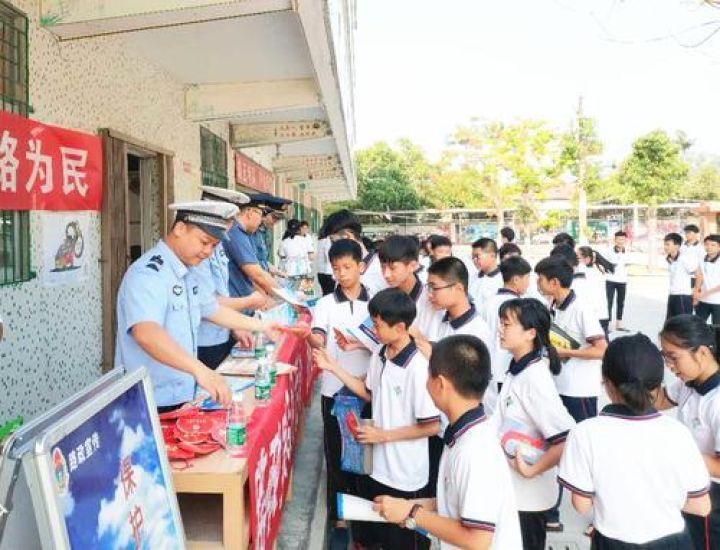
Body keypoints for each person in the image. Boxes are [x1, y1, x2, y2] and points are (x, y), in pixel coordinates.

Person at [114, 201, 280, 410]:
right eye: (204, 242)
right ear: (180, 229)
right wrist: (200, 370)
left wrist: (262, 326)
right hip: (151, 400)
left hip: (181, 392)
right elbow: (146, 333)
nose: (208, 252)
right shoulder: (148, 274)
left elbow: (212, 309)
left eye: (213, 246)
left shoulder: (187, 272)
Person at [314, 289, 441, 550]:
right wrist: (333, 367)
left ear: (400, 327)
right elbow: (369, 393)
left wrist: (384, 436)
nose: (373, 329)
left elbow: (431, 425)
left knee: (405, 540)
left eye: (378, 324)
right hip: (377, 467)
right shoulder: (381, 355)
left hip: (405, 474)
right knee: (376, 536)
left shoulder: (418, 369)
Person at [558, 333, 711, 548]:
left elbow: (581, 505)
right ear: (658, 384)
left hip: (614, 543)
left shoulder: (585, 433)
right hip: (673, 542)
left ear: (606, 381)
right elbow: (701, 506)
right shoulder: (678, 434)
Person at [373, 335, 523, 549]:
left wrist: (412, 513)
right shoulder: (464, 434)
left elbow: (478, 540)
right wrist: (410, 506)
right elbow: (458, 503)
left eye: (428, 375)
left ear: (440, 384)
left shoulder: (474, 450)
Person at [495, 298, 576, 549]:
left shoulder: (535, 378)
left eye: (506, 324)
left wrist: (531, 470)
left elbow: (565, 438)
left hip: (529, 500)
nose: (500, 329)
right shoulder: (518, 367)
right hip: (515, 493)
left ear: (530, 333)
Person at [535, 255, 607, 532]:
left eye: (541, 279)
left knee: (586, 452)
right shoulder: (552, 305)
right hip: (558, 388)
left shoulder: (581, 309)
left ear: (554, 282)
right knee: (559, 448)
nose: (538, 283)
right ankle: (552, 513)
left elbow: (601, 349)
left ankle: (601, 512)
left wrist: (567, 352)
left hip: (580, 392)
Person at [306, 239, 372, 531]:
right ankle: (341, 513)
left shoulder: (377, 301)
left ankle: (366, 506)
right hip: (333, 389)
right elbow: (318, 336)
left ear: (361, 266)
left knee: (366, 452)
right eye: (336, 268)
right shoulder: (325, 304)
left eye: (347, 267)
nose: (342, 274)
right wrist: (308, 337)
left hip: (369, 390)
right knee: (336, 452)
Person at [657, 315, 720, 549]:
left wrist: (676, 454)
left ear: (702, 352)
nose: (669, 366)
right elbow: (662, 398)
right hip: (688, 484)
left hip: (712, 497)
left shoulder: (716, 401)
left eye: (673, 358)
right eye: (664, 357)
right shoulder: (689, 381)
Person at [193, 187, 267, 369]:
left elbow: (220, 290)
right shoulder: (197, 252)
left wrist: (235, 326)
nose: (230, 224)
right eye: (226, 219)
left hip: (222, 330)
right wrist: (249, 301)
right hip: (204, 338)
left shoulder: (217, 245)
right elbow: (207, 304)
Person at [481, 256, 532, 395]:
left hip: (490, 369)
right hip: (509, 368)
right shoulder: (519, 306)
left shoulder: (488, 302)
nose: (528, 283)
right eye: (527, 278)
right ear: (516, 279)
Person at [224, 196, 280, 312]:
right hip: (235, 305)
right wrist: (287, 297)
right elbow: (257, 274)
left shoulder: (245, 234)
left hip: (244, 303)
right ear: (250, 212)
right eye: (260, 215)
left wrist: (264, 296)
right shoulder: (235, 233)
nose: (261, 220)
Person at [323, 209, 386, 296]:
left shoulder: (381, 269)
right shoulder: (340, 268)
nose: (333, 246)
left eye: (334, 241)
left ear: (347, 236)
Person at [577, 246, 612, 338]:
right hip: (601, 313)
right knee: (603, 339)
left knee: (599, 341)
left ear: (587, 259)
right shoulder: (598, 269)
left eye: (577, 257)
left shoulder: (584, 270)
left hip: (594, 313)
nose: (576, 260)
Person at [664, 232, 699, 319]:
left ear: (677, 246)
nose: (665, 247)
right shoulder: (669, 259)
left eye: (668, 244)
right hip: (672, 295)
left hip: (683, 297)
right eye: (665, 244)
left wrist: (695, 292)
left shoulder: (684, 258)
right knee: (671, 324)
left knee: (683, 325)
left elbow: (698, 274)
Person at [605, 231, 629, 332]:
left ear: (625, 240)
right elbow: (604, 265)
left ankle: (619, 323)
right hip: (610, 280)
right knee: (609, 302)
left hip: (622, 281)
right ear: (615, 240)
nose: (621, 241)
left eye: (623, 239)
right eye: (619, 239)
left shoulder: (628, 251)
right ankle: (608, 324)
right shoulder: (608, 251)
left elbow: (627, 264)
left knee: (621, 302)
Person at [469, 238, 503, 307]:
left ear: (492, 255)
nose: (474, 260)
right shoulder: (472, 279)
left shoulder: (503, 280)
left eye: (477, 256)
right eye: (473, 257)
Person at [695, 234, 720, 324]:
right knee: (697, 325)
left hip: (718, 302)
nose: (709, 247)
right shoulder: (702, 258)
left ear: (719, 247)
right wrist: (696, 292)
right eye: (707, 244)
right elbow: (699, 275)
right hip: (703, 300)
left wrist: (705, 293)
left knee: (717, 329)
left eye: (713, 245)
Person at [682, 224, 706, 292]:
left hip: (694, 277)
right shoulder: (681, 246)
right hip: (682, 276)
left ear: (696, 234)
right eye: (686, 232)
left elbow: (703, 262)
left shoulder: (701, 248)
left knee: (694, 298)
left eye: (689, 232)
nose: (687, 234)